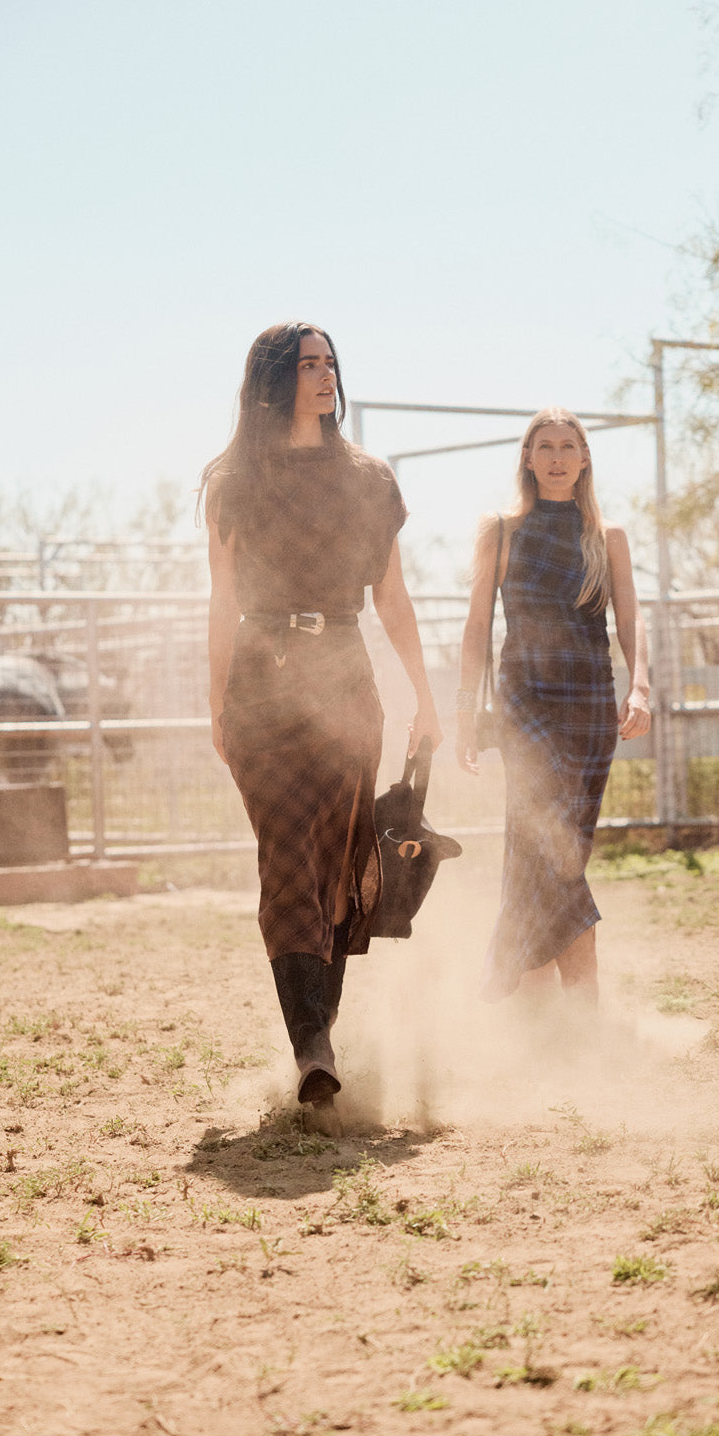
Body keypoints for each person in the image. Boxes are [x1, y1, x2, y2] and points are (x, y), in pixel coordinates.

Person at [201, 322, 442, 1133]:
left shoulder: (370, 481)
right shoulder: (234, 479)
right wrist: (215, 706)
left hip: (345, 675)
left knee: (339, 870)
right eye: (308, 364)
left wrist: (426, 696)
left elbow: (393, 601)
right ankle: (313, 1047)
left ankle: (318, 1046)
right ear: (273, 380)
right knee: (285, 858)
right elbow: (223, 599)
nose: (324, 374)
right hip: (261, 683)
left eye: (330, 362)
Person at [456, 406, 650, 1004]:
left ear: (585, 458)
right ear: (528, 457)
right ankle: (580, 1001)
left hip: (591, 702)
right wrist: (466, 713)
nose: (559, 457)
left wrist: (639, 687)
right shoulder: (502, 530)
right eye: (546, 446)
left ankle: (522, 992)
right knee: (549, 839)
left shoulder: (607, 536)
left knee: (555, 845)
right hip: (525, 702)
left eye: (570, 446)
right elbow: (475, 627)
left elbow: (632, 620)